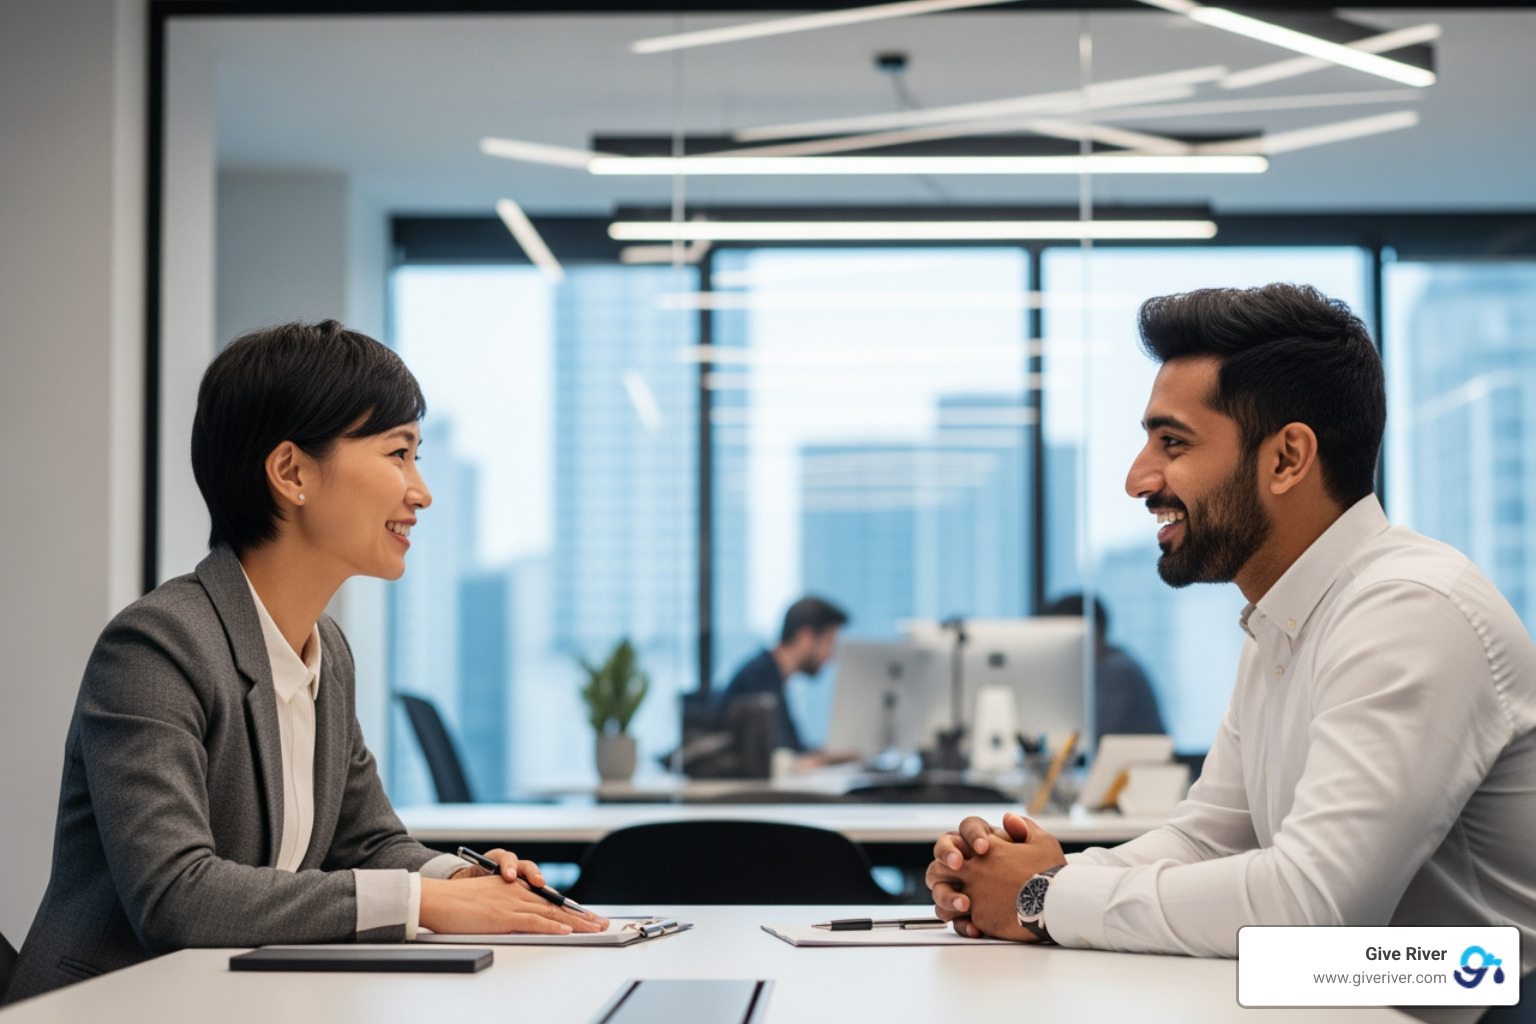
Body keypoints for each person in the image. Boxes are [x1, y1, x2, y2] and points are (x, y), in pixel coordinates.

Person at [926, 286, 1536, 978]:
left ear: (1286, 459)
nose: (1136, 478)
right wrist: (1019, 879)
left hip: (1477, 1000)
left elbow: (1312, 907)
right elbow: (1207, 840)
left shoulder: (1411, 611)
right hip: (1359, 997)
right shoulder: (1285, 620)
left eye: (1173, 442)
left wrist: (1044, 899)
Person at [4, 321, 606, 1004]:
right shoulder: (157, 645)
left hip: (232, 1003)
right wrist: (423, 903)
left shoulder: (326, 651)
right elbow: (176, 895)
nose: (421, 491)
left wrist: (455, 881)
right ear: (291, 472)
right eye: (398, 454)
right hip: (107, 1009)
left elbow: (370, 842)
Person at [720, 596, 853, 768]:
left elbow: (794, 748)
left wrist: (831, 756)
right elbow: (778, 755)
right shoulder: (759, 678)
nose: (830, 657)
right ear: (805, 638)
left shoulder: (775, 677)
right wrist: (817, 760)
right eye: (828, 643)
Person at [1042, 594, 1165, 742]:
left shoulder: (1118, 671)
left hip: (1138, 762)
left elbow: (1099, 733)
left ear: (1094, 631)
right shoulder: (1097, 669)